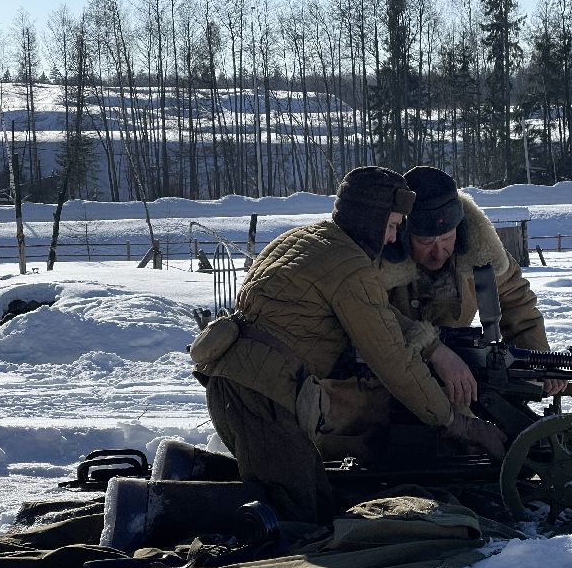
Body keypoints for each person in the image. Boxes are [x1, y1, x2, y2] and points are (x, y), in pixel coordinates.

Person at [191, 166, 506, 522]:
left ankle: (181, 469)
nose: (392, 239)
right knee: (294, 514)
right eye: (391, 226)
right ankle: (147, 505)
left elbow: (374, 315)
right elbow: (396, 364)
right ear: (370, 219)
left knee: (304, 498)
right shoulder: (352, 268)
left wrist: (433, 346)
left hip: (234, 385)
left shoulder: (301, 239)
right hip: (262, 398)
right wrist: (463, 425)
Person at [315, 165, 563, 462]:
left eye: (447, 239)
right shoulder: (370, 259)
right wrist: (432, 349)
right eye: (426, 242)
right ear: (403, 233)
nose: (438, 252)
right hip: (371, 386)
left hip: (449, 389)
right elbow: (366, 318)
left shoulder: (482, 254)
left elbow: (518, 303)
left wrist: (538, 362)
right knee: (360, 452)